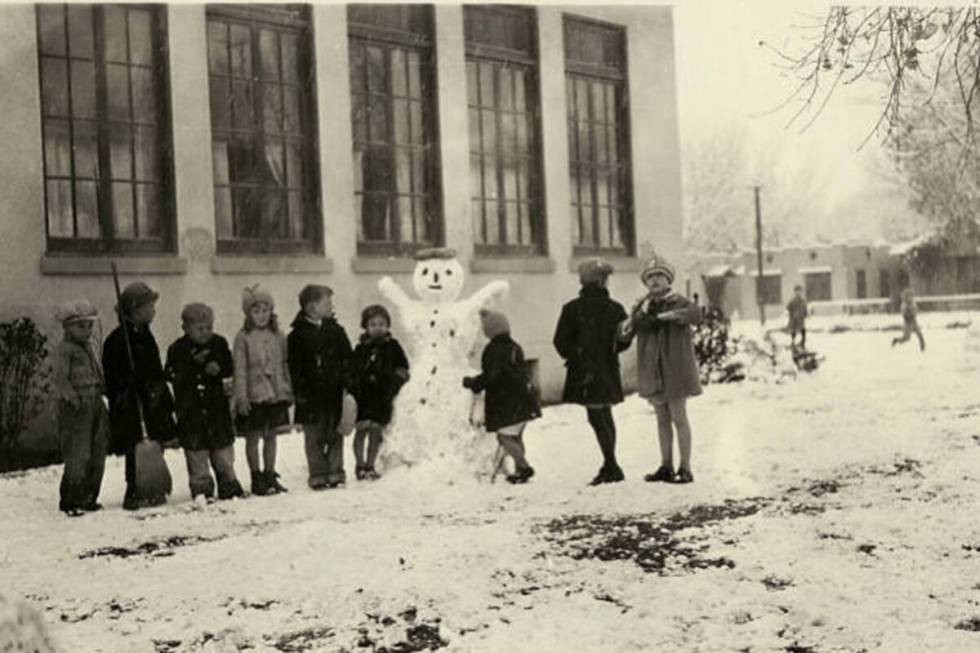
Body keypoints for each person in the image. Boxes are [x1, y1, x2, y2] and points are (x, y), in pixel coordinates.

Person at [621, 255, 703, 484]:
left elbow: (696, 316)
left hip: (675, 367)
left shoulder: (678, 301)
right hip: (652, 369)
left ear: (668, 280)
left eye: (659, 276)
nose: (655, 281)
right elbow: (626, 332)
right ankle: (665, 465)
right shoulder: (642, 306)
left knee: (679, 417)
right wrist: (631, 322)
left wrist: (672, 316)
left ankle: (685, 467)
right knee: (661, 419)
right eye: (650, 277)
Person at [553, 258, 632, 486]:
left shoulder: (571, 309)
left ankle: (611, 465)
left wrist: (576, 355)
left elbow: (560, 342)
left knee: (596, 417)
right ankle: (610, 464)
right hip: (607, 368)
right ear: (602, 280)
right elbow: (624, 340)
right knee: (605, 414)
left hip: (584, 370)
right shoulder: (615, 308)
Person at [102, 282, 178, 510]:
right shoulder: (117, 340)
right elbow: (112, 374)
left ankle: (153, 485)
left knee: (153, 442)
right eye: (149, 306)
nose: (154, 311)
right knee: (134, 447)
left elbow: (153, 364)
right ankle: (134, 488)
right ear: (135, 309)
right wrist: (128, 382)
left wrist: (158, 385)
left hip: (151, 399)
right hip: (131, 403)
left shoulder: (146, 335)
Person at [165, 303, 246, 503]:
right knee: (196, 453)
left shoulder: (218, 344)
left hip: (216, 408)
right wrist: (193, 366)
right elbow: (171, 374)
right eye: (200, 329)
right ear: (186, 328)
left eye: (209, 327)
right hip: (191, 411)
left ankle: (228, 483)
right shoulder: (177, 349)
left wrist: (219, 367)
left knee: (223, 451)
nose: (206, 332)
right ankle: (201, 487)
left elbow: (229, 366)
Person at [464, 310, 541, 484]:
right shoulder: (515, 346)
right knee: (516, 437)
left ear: (490, 331)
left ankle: (524, 466)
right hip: (524, 400)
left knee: (504, 437)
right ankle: (519, 470)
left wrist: (473, 383)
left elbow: (491, 376)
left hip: (507, 402)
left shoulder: (493, 350)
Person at [288, 285, 353, 489]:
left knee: (335, 433)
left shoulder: (336, 331)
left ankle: (335, 471)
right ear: (311, 307)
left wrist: (346, 381)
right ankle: (317, 473)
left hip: (333, 392)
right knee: (313, 436)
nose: (331, 306)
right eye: (327, 302)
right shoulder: (297, 336)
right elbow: (294, 366)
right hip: (310, 395)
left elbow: (347, 358)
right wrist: (300, 390)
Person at [233, 286, 293, 497]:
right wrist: (241, 396)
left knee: (271, 435)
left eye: (265, 310)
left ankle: (269, 473)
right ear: (248, 314)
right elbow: (239, 370)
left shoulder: (278, 335)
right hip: (254, 394)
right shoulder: (243, 338)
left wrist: (287, 388)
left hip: (275, 392)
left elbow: (284, 363)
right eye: (256, 311)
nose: (262, 315)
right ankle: (256, 476)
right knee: (254, 436)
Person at [53, 299, 108, 516]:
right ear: (67, 327)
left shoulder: (90, 347)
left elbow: (96, 371)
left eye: (89, 326)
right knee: (78, 451)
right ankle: (71, 498)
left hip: (94, 401)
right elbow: (61, 379)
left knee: (97, 449)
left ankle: (89, 495)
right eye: (80, 326)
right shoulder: (66, 350)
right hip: (76, 406)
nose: (86, 331)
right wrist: (72, 397)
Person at [349, 304, 409, 481]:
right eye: (373, 324)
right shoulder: (361, 348)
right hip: (364, 396)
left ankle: (370, 465)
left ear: (388, 325)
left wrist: (394, 383)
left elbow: (403, 367)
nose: (378, 328)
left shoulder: (393, 346)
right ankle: (359, 465)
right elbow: (352, 369)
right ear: (366, 326)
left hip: (382, 395)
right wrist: (355, 385)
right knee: (361, 431)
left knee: (376, 432)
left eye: (382, 323)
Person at [787, 285, 808, 350]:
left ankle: (802, 344)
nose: (798, 293)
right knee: (794, 332)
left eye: (800, 291)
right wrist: (793, 314)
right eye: (797, 291)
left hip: (801, 319)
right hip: (794, 319)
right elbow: (788, 307)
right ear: (795, 292)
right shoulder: (792, 300)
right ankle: (793, 344)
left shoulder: (803, 300)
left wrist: (805, 314)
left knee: (803, 331)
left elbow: (805, 309)